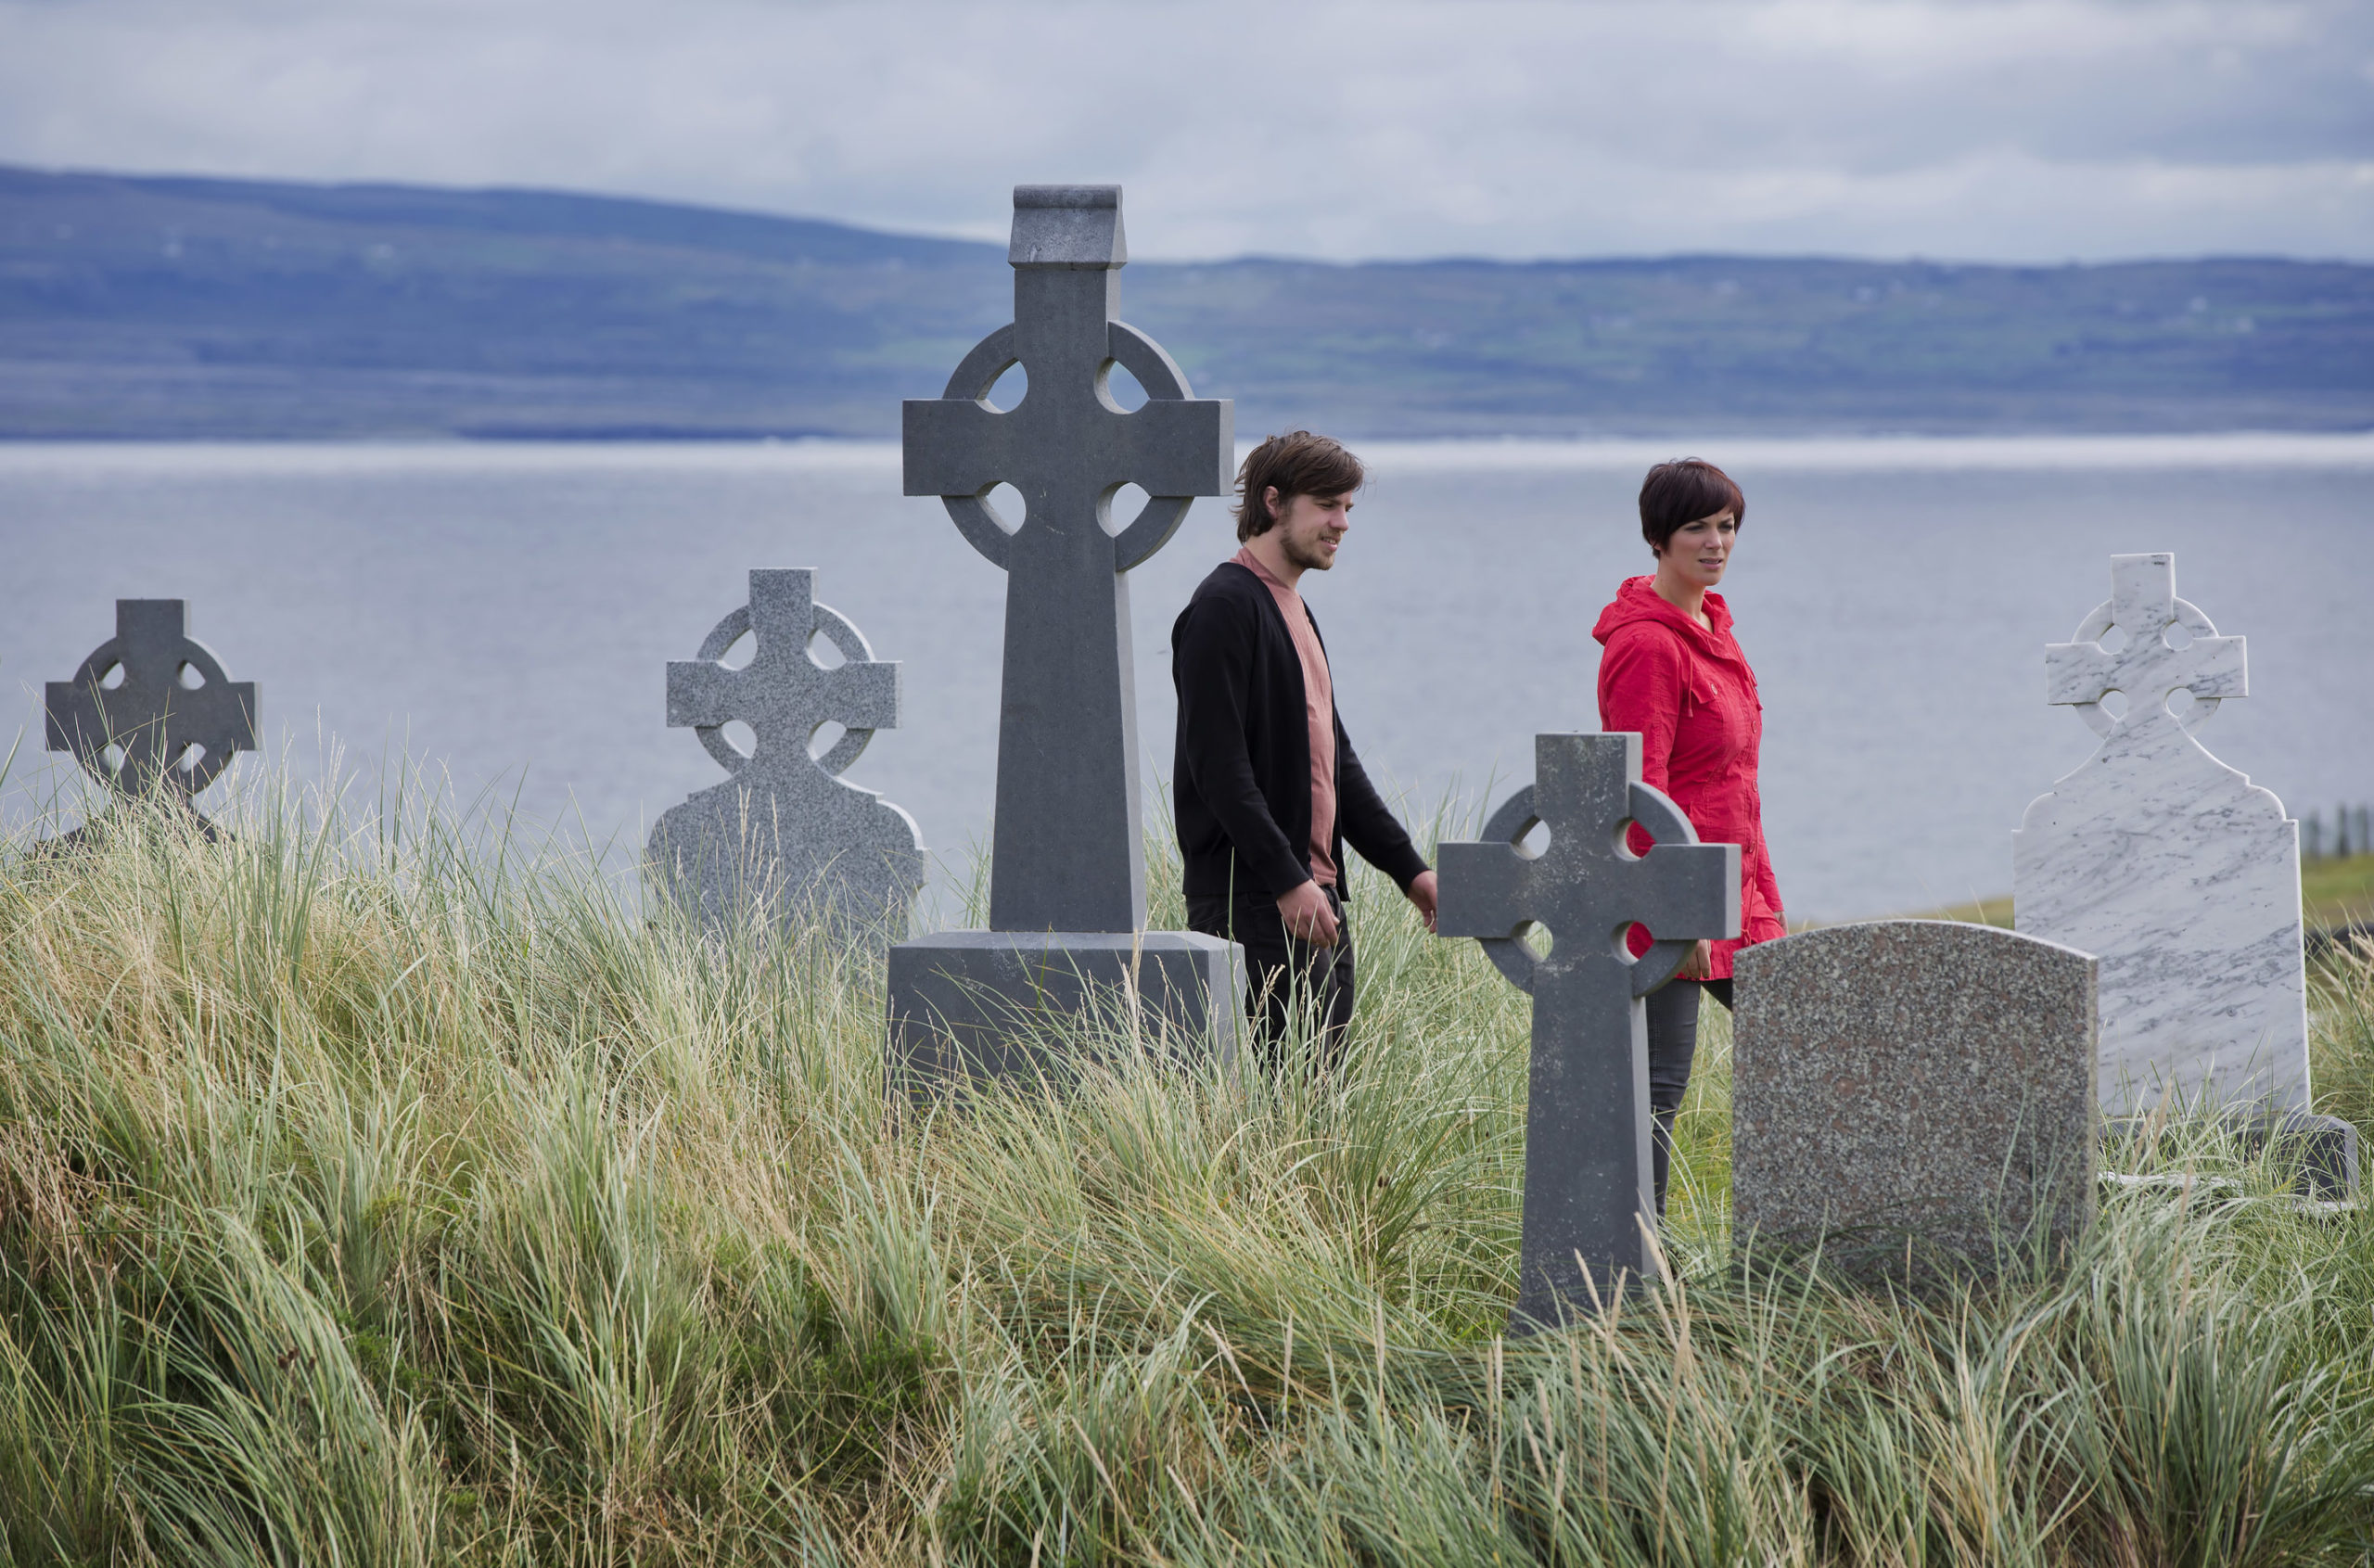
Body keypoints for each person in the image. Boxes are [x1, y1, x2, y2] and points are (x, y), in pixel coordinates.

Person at [1172, 431, 1439, 1071]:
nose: (1342, 523)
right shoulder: (1222, 608)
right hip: (1251, 903)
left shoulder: (1288, 604)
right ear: (1273, 502)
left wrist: (1410, 871)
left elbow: (1335, 765)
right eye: (1327, 505)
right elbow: (1219, 769)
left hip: (1310, 900)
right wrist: (1288, 879)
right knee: (1272, 1109)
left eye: (1347, 506)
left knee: (1317, 1107)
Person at [1593, 457, 1786, 1215]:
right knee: (1661, 1086)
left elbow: (1739, 786)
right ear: (1658, 537)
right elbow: (1644, 795)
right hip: (1669, 901)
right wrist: (1678, 911)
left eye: (1728, 525)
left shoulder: (1716, 628)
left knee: (1801, 1048)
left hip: (1739, 895)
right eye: (1697, 527)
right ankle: (1641, 1264)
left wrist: (1762, 901)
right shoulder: (1647, 645)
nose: (1716, 542)